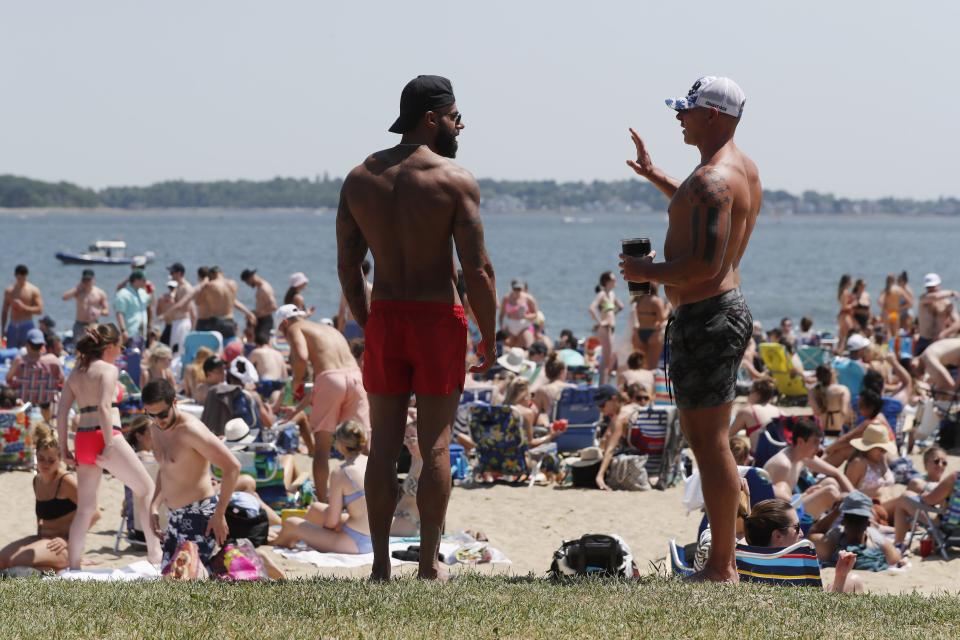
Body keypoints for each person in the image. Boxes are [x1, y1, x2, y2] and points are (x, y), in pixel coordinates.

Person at [336, 74, 497, 581]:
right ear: (431, 119)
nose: (461, 124)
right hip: (436, 319)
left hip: (387, 315)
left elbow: (347, 267)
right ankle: (427, 566)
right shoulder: (453, 179)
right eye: (454, 116)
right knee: (434, 445)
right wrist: (488, 335)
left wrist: (370, 320)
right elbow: (478, 270)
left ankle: (381, 566)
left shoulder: (360, 179)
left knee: (382, 445)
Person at [619, 76, 760, 582]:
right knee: (710, 441)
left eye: (688, 109)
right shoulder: (734, 170)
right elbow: (703, 207)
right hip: (716, 314)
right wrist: (657, 175)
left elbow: (703, 264)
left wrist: (645, 274)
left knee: (709, 444)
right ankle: (724, 558)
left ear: (715, 117)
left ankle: (722, 566)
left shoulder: (713, 179)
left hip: (708, 315)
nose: (679, 116)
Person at [56, 323, 161, 568]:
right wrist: (110, 443)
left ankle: (73, 566)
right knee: (146, 488)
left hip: (82, 437)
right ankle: (155, 555)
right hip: (105, 435)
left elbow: (61, 414)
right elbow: (104, 407)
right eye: (120, 346)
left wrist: (64, 448)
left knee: (85, 508)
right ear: (110, 346)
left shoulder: (76, 372)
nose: (121, 350)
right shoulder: (108, 370)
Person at [142, 379, 240, 573]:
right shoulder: (156, 429)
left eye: (162, 414)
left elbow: (232, 467)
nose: (158, 420)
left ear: (175, 402)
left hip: (199, 515)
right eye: (151, 415)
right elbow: (165, 469)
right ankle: (240, 559)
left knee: (189, 580)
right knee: (173, 578)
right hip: (174, 517)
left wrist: (219, 513)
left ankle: (247, 559)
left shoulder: (190, 430)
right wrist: (154, 505)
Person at [275, 304, 369, 502]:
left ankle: (324, 503)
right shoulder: (329, 330)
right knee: (364, 445)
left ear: (284, 323)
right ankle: (373, 496)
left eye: (282, 333)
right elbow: (335, 379)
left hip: (331, 381)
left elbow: (302, 359)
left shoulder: (294, 328)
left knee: (322, 448)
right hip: (355, 378)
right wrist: (297, 409)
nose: (286, 336)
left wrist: (295, 384)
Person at [0, 423, 92, 573]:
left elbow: (94, 511)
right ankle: (48, 568)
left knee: (16, 561)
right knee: (2, 560)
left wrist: (69, 540)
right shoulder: (37, 481)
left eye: (51, 460)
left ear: (60, 458)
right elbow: (41, 518)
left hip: (62, 545)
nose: (45, 464)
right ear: (36, 455)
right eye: (41, 458)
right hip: (43, 539)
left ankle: (63, 565)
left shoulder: (65, 481)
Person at [269, 419, 372, 553]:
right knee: (316, 508)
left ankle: (276, 541)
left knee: (291, 523)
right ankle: (302, 536)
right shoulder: (371, 462)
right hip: (376, 537)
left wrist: (328, 530)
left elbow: (332, 522)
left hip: (356, 542)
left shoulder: (341, 472)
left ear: (340, 444)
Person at [743, 499, 861, 593]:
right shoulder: (799, 564)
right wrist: (841, 576)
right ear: (777, 536)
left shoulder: (744, 558)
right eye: (797, 528)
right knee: (853, 581)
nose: (802, 533)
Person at [763, 418, 853, 519]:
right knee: (830, 492)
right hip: (781, 516)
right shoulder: (783, 465)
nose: (819, 448)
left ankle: (856, 513)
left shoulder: (803, 456)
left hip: (792, 503)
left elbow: (837, 473)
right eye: (815, 443)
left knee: (831, 482)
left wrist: (857, 498)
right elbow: (774, 504)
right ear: (800, 442)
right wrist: (804, 496)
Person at [809, 491, 902, 571]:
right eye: (853, 520)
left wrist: (837, 510)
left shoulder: (832, 539)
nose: (855, 524)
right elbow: (897, 560)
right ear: (868, 523)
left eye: (857, 521)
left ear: (843, 521)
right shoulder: (877, 540)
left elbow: (813, 533)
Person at [164, 266, 255, 342]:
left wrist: (202, 285)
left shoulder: (210, 286)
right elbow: (233, 301)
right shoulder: (232, 284)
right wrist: (248, 312)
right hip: (229, 321)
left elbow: (198, 301)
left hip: (214, 321)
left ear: (212, 275)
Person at [5, 329, 64, 423]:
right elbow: (61, 381)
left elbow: (8, 379)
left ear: (27, 344)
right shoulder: (53, 360)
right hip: (46, 409)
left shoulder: (19, 361)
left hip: (24, 407)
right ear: (42, 345)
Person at [588, 271, 624, 385]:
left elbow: (621, 306)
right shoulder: (602, 294)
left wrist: (612, 314)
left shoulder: (612, 294)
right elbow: (592, 308)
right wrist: (600, 322)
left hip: (611, 327)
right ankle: (602, 385)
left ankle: (605, 383)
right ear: (607, 281)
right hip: (605, 327)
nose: (615, 281)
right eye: (613, 279)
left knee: (611, 357)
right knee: (606, 359)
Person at [728, 378, 780, 453]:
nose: (748, 395)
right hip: (777, 455)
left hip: (759, 459)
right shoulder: (779, 411)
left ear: (757, 395)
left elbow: (729, 435)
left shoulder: (747, 411)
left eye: (750, 392)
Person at [2, 265, 44, 349]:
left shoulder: (33, 290)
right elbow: (5, 311)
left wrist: (23, 307)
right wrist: (2, 329)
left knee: (27, 350)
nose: (21, 280)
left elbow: (40, 310)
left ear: (26, 276)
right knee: (11, 352)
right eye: (19, 278)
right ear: (15, 276)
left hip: (27, 324)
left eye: (23, 277)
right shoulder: (9, 291)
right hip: (13, 325)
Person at [62, 269, 109, 342]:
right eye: (85, 279)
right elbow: (64, 297)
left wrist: (99, 312)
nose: (87, 282)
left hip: (94, 324)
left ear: (93, 279)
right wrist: (77, 287)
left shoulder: (100, 293)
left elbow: (106, 311)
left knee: (94, 346)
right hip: (80, 324)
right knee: (78, 347)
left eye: (89, 279)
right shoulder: (78, 291)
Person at [249, 332, 288, 412]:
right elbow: (285, 375)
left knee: (263, 410)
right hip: (279, 383)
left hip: (265, 383)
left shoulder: (257, 352)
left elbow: (246, 367)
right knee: (275, 410)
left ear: (256, 343)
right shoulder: (279, 353)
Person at [162, 263, 195, 356]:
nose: (171, 275)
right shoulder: (178, 287)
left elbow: (185, 308)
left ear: (179, 273)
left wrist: (167, 313)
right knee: (174, 349)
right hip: (176, 322)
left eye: (172, 272)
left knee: (179, 350)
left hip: (182, 322)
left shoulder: (186, 287)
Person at [808, 364, 851, 436]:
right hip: (839, 429)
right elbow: (845, 412)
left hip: (822, 429)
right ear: (833, 375)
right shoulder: (842, 390)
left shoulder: (812, 391)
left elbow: (816, 412)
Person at [634, 283, 668, 369]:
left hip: (639, 333)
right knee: (652, 367)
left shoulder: (639, 300)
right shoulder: (656, 300)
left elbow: (637, 317)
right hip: (653, 333)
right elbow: (661, 318)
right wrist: (668, 308)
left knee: (640, 366)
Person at [114, 270, 151, 348]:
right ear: (136, 280)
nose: (145, 282)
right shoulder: (123, 294)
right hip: (131, 331)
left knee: (140, 356)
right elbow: (119, 313)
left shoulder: (143, 292)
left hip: (142, 332)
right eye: (143, 280)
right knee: (131, 355)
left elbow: (150, 305)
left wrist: (152, 292)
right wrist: (123, 330)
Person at [240, 268, 278, 345]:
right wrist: (254, 313)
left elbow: (273, 306)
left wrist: (256, 314)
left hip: (265, 320)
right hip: (261, 319)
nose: (248, 284)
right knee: (257, 341)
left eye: (247, 282)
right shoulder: (260, 287)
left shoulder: (264, 288)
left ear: (251, 277)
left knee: (263, 343)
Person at [336, 259, 372, 340]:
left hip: (351, 324)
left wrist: (339, 330)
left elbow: (342, 310)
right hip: (367, 326)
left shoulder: (348, 288)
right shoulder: (372, 288)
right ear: (369, 272)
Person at [499, 279, 538, 349]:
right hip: (509, 326)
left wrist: (525, 316)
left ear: (522, 288)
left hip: (523, 326)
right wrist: (501, 327)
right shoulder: (506, 298)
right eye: (515, 289)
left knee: (528, 346)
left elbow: (535, 314)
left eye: (519, 289)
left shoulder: (528, 298)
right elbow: (501, 314)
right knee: (507, 347)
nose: (517, 291)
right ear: (511, 288)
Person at [878, 274, 906, 338]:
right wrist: (900, 307)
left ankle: (889, 347)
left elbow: (879, 301)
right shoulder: (899, 289)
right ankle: (895, 347)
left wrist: (884, 308)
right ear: (894, 280)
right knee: (896, 332)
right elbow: (910, 302)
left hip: (888, 313)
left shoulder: (886, 290)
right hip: (896, 312)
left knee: (888, 332)